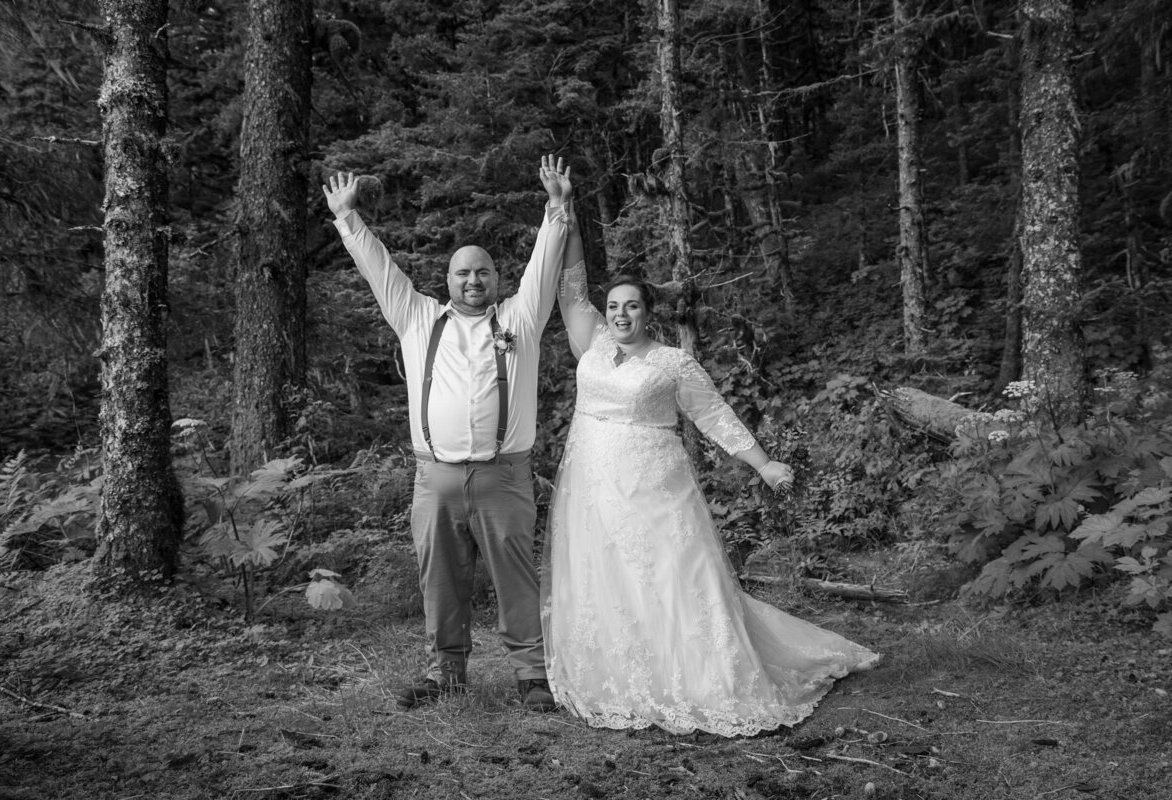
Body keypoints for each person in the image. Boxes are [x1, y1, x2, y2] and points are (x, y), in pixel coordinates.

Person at [541, 199, 880, 736]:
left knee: (677, 571)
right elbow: (570, 289)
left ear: (649, 312)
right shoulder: (592, 342)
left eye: (632, 306)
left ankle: (707, 676)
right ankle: (624, 672)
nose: (621, 314)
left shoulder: (674, 362)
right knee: (606, 574)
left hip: (654, 483)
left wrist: (763, 464)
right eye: (614, 305)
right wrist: (565, 215)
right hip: (591, 484)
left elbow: (714, 415)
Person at [323, 156, 573, 712]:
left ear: (496, 279)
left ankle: (531, 675)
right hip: (434, 478)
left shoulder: (521, 320)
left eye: (482, 271)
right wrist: (347, 219)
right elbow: (380, 270)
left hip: (503, 475)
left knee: (516, 578)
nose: (473, 280)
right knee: (439, 577)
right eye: (463, 272)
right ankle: (447, 673)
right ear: (448, 279)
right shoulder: (417, 319)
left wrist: (556, 208)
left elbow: (544, 264)